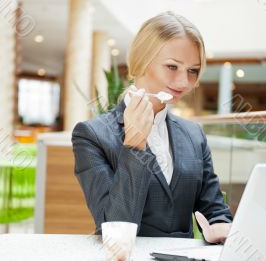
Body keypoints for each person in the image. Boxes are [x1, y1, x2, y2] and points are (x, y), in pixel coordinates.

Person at [72, 11, 232, 243]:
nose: (184, 82)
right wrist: (134, 147)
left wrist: (221, 226)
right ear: (142, 60)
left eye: (192, 71)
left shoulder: (193, 134)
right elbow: (114, 230)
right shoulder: (92, 135)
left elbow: (214, 208)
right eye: (172, 66)